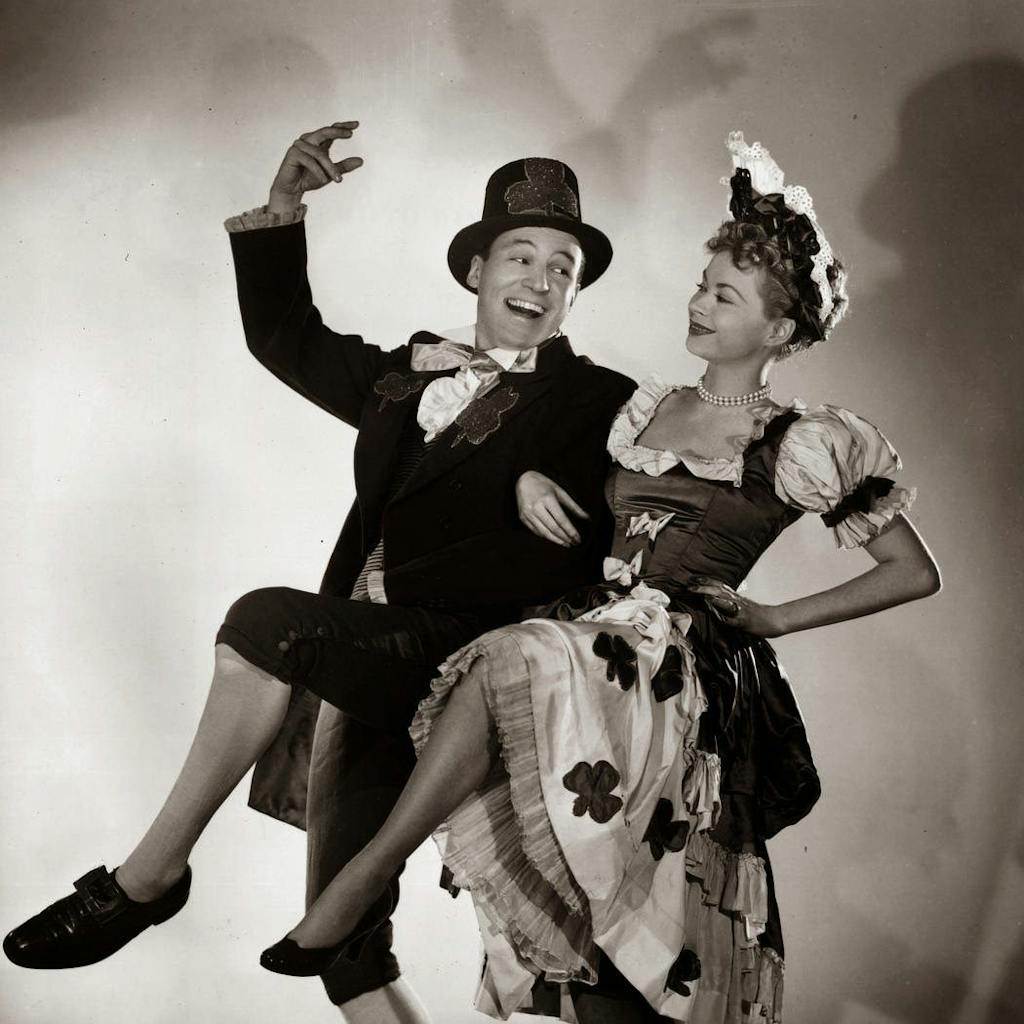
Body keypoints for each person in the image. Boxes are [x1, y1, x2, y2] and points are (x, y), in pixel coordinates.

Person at [255, 132, 941, 1024]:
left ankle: (367, 876)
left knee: (519, 679)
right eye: (702, 284)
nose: (697, 302)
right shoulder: (641, 409)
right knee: (551, 923)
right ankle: (348, 894)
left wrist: (773, 617)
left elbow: (909, 571)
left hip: (652, 669)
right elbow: (514, 447)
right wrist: (518, 478)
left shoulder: (784, 438)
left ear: (779, 330)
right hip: (556, 645)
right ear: (477, 268)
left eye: (724, 295)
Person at [3, 122, 636, 1024]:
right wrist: (283, 210)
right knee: (343, 949)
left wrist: (523, 477)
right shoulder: (407, 379)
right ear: (476, 271)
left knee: (265, 622)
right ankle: (166, 885)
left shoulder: (602, 398)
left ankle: (147, 879)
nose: (539, 281)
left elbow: (603, 534)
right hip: (373, 664)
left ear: (576, 292)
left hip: (477, 668)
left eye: (562, 268)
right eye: (520, 257)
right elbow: (285, 337)